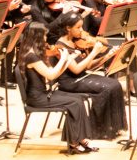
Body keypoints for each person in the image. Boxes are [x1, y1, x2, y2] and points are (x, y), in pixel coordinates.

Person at [17, 21, 96, 154]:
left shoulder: (34, 53)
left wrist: (68, 59)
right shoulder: (31, 57)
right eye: (43, 36)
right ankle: (74, 143)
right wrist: (63, 59)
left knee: (78, 99)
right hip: (37, 98)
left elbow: (54, 73)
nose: (45, 39)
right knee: (74, 102)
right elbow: (52, 75)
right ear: (36, 37)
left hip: (43, 93)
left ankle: (79, 140)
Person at [54, 12, 126, 140]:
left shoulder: (77, 42)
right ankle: (98, 130)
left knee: (115, 84)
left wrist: (106, 56)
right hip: (70, 82)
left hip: (82, 77)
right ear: (68, 28)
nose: (81, 31)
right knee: (106, 88)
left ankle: (112, 127)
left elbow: (88, 66)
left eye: (82, 26)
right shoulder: (60, 47)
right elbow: (76, 70)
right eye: (78, 27)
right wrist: (94, 52)